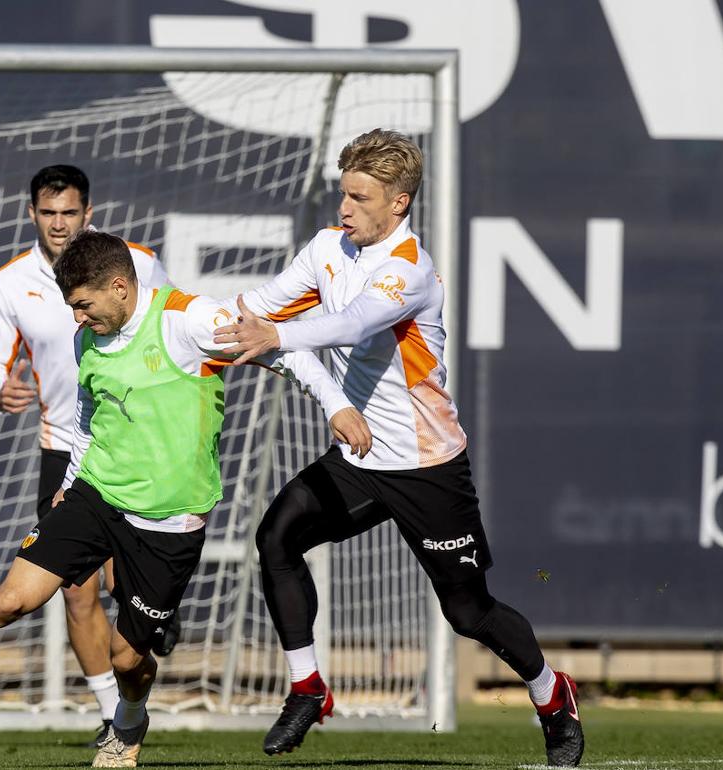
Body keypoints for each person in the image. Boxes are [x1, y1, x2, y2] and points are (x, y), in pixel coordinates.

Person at [0, 230, 365, 768]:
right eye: (71, 308)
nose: (77, 319)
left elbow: (284, 352)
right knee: (11, 600)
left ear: (119, 287)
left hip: (168, 521)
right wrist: (71, 481)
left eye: (83, 305)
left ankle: (130, 719)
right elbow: (89, 416)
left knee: (127, 657)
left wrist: (335, 407)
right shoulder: (87, 337)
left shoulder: (189, 320)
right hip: (95, 494)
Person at [213, 129, 585, 767]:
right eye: (343, 194)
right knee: (276, 537)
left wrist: (274, 337)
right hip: (359, 458)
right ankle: (307, 688)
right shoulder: (328, 248)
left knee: (468, 613)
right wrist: (178, 325)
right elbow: (255, 306)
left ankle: (552, 696)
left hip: (425, 465)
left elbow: (350, 324)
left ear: (399, 203)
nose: (345, 209)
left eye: (360, 198)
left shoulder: (408, 269)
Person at [0, 165, 176, 745]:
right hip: (64, 445)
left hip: (136, 444)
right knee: (75, 587)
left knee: (123, 583)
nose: (59, 224)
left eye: (69, 213)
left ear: (89, 214)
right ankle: (114, 716)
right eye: (48, 212)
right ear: (31, 214)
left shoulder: (135, 262)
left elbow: (169, 326)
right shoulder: (9, 282)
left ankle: (153, 612)